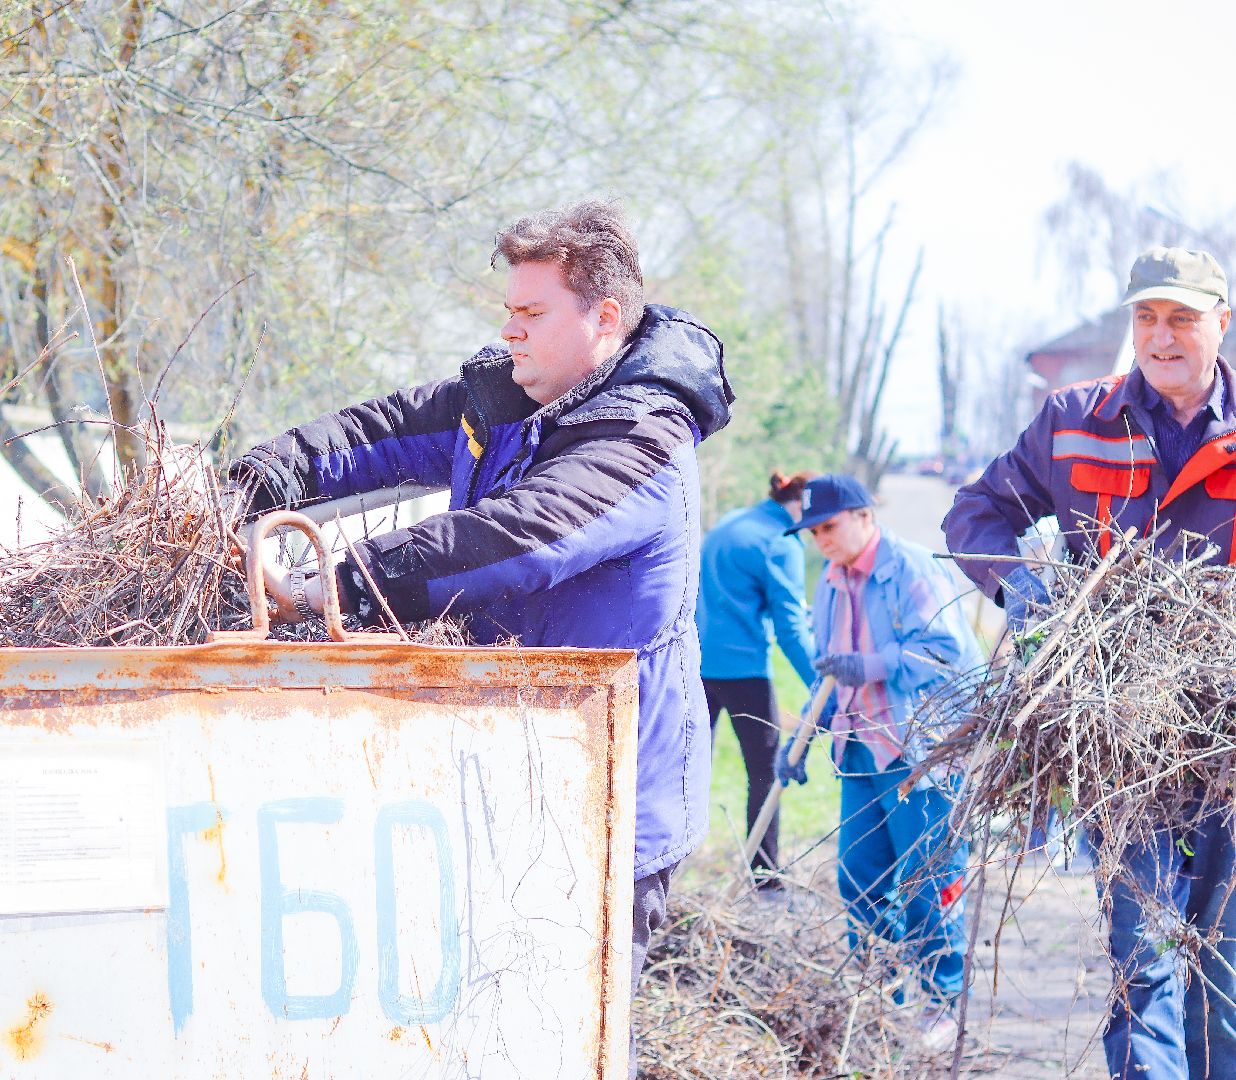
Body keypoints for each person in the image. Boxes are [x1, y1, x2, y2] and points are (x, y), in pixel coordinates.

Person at [228, 200, 733, 1072]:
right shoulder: (505, 401)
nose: (510, 330)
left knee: (560, 1045)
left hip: (600, 817)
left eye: (533, 314)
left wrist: (334, 584)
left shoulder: (642, 437)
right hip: (496, 790)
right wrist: (257, 478)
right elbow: (377, 434)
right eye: (509, 310)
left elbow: (520, 536)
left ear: (605, 318)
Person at [944, 246, 1236, 1080]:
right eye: (1146, 317)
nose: (1163, 335)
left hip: (1228, 738)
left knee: (1224, 965)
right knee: (1140, 955)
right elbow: (977, 512)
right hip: (1121, 733)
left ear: (1222, 321)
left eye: (1183, 317)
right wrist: (1029, 591)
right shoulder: (1075, 418)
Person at [776, 474, 980, 1040]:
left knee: (928, 877)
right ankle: (878, 998)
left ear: (864, 516)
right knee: (860, 878)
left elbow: (947, 652)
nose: (821, 540)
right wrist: (800, 741)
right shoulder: (831, 581)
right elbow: (826, 673)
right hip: (859, 748)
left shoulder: (910, 568)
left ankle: (942, 1003)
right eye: (813, 532)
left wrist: (871, 665)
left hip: (921, 749)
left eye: (829, 526)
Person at [696, 469, 819, 887]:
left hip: (696, 664)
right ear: (803, 506)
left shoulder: (732, 520)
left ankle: (665, 864)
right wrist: (820, 681)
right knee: (765, 771)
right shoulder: (780, 542)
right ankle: (764, 873)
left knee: (687, 767)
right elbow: (790, 627)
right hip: (744, 668)